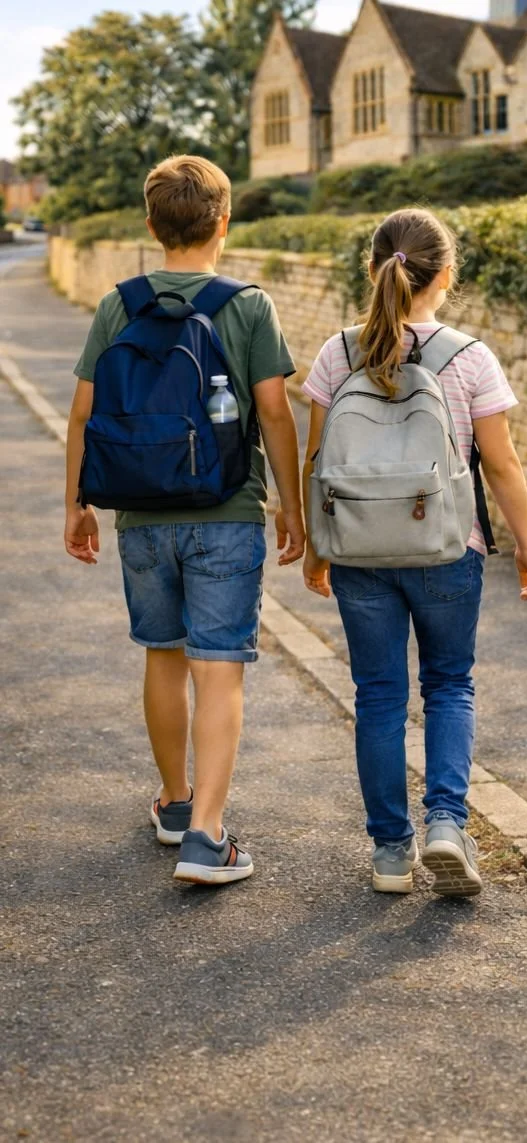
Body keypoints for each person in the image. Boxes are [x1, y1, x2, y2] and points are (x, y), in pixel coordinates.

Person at [64, 155, 305, 885]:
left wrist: (77, 504)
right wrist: (292, 504)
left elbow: (83, 412)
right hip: (227, 511)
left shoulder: (119, 304)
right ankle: (207, 836)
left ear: (149, 225)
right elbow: (273, 410)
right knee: (220, 665)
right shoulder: (247, 305)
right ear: (223, 223)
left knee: (162, 653)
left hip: (140, 512)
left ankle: (174, 803)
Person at [301, 208, 527, 898]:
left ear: (373, 267)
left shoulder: (338, 353)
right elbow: (500, 465)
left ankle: (388, 852)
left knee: (378, 696)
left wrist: (318, 548)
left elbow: (319, 459)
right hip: (447, 548)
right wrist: (526, 546)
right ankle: (446, 823)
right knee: (448, 684)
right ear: (446, 275)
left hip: (359, 552)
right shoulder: (469, 357)